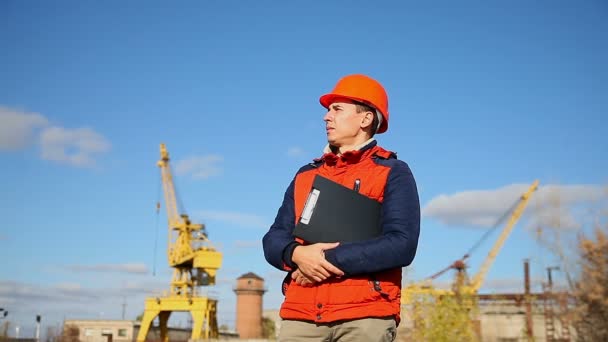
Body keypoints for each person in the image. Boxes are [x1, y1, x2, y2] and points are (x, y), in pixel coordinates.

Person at [262, 74, 421, 341]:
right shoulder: (306, 175)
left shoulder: (393, 172)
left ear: (365, 119)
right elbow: (274, 238)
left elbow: (401, 244)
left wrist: (319, 261)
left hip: (364, 314)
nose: (327, 117)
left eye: (337, 109)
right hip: (301, 315)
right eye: (327, 110)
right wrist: (296, 254)